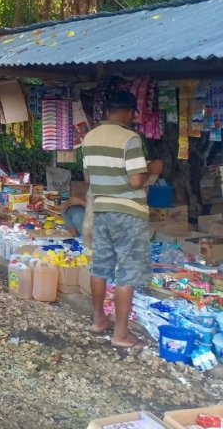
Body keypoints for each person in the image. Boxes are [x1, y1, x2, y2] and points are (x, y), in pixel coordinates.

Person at [81, 91, 163, 349]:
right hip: (128, 211)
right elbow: (136, 180)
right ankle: (121, 334)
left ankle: (98, 320)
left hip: (102, 209)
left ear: (106, 111)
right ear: (130, 113)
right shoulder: (130, 138)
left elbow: (88, 179)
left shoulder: (90, 137)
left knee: (100, 265)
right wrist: (153, 168)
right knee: (126, 272)